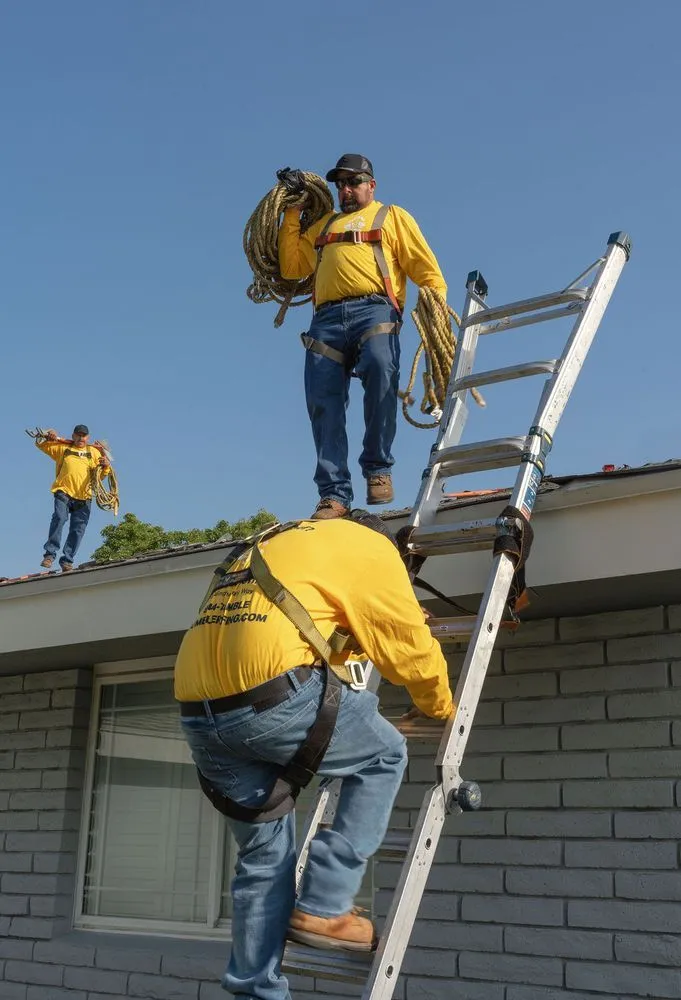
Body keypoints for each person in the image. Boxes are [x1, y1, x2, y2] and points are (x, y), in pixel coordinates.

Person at [175, 512, 453, 1000]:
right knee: (383, 755)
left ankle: (255, 992)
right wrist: (440, 705)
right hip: (273, 699)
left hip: (201, 717)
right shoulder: (373, 550)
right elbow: (408, 647)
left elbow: (304, 627)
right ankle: (325, 905)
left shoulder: (276, 542)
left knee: (263, 858)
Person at [278, 153, 448, 520]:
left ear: (372, 185)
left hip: (375, 309)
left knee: (381, 367)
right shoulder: (323, 226)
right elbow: (292, 266)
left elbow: (426, 270)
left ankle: (378, 469)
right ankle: (334, 495)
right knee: (322, 401)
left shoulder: (391, 217)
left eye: (354, 182)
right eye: (341, 184)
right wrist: (292, 214)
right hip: (326, 319)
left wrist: (435, 308)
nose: (346, 190)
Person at [35, 424, 110, 572]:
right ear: (73, 435)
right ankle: (50, 555)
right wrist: (47, 434)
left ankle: (67, 560)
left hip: (84, 497)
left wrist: (106, 466)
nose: (81, 438)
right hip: (64, 492)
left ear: (87, 437)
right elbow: (41, 445)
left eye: (84, 435)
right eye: (78, 435)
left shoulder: (93, 452)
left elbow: (99, 476)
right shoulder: (64, 449)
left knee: (78, 529)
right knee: (60, 517)